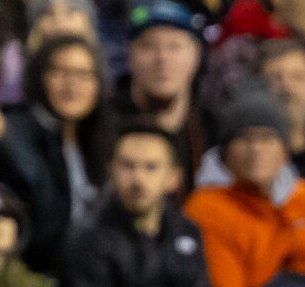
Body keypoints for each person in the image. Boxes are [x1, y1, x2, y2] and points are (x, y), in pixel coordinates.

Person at [181, 91, 305, 287]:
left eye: (267, 138)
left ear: (285, 151)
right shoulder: (208, 207)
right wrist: (286, 236)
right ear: (225, 152)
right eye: (244, 138)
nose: (256, 149)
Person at [60, 118, 209, 287]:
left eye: (151, 167)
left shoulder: (186, 231)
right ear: (111, 171)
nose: (138, 179)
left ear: (174, 177)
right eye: (128, 165)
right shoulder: (87, 239)